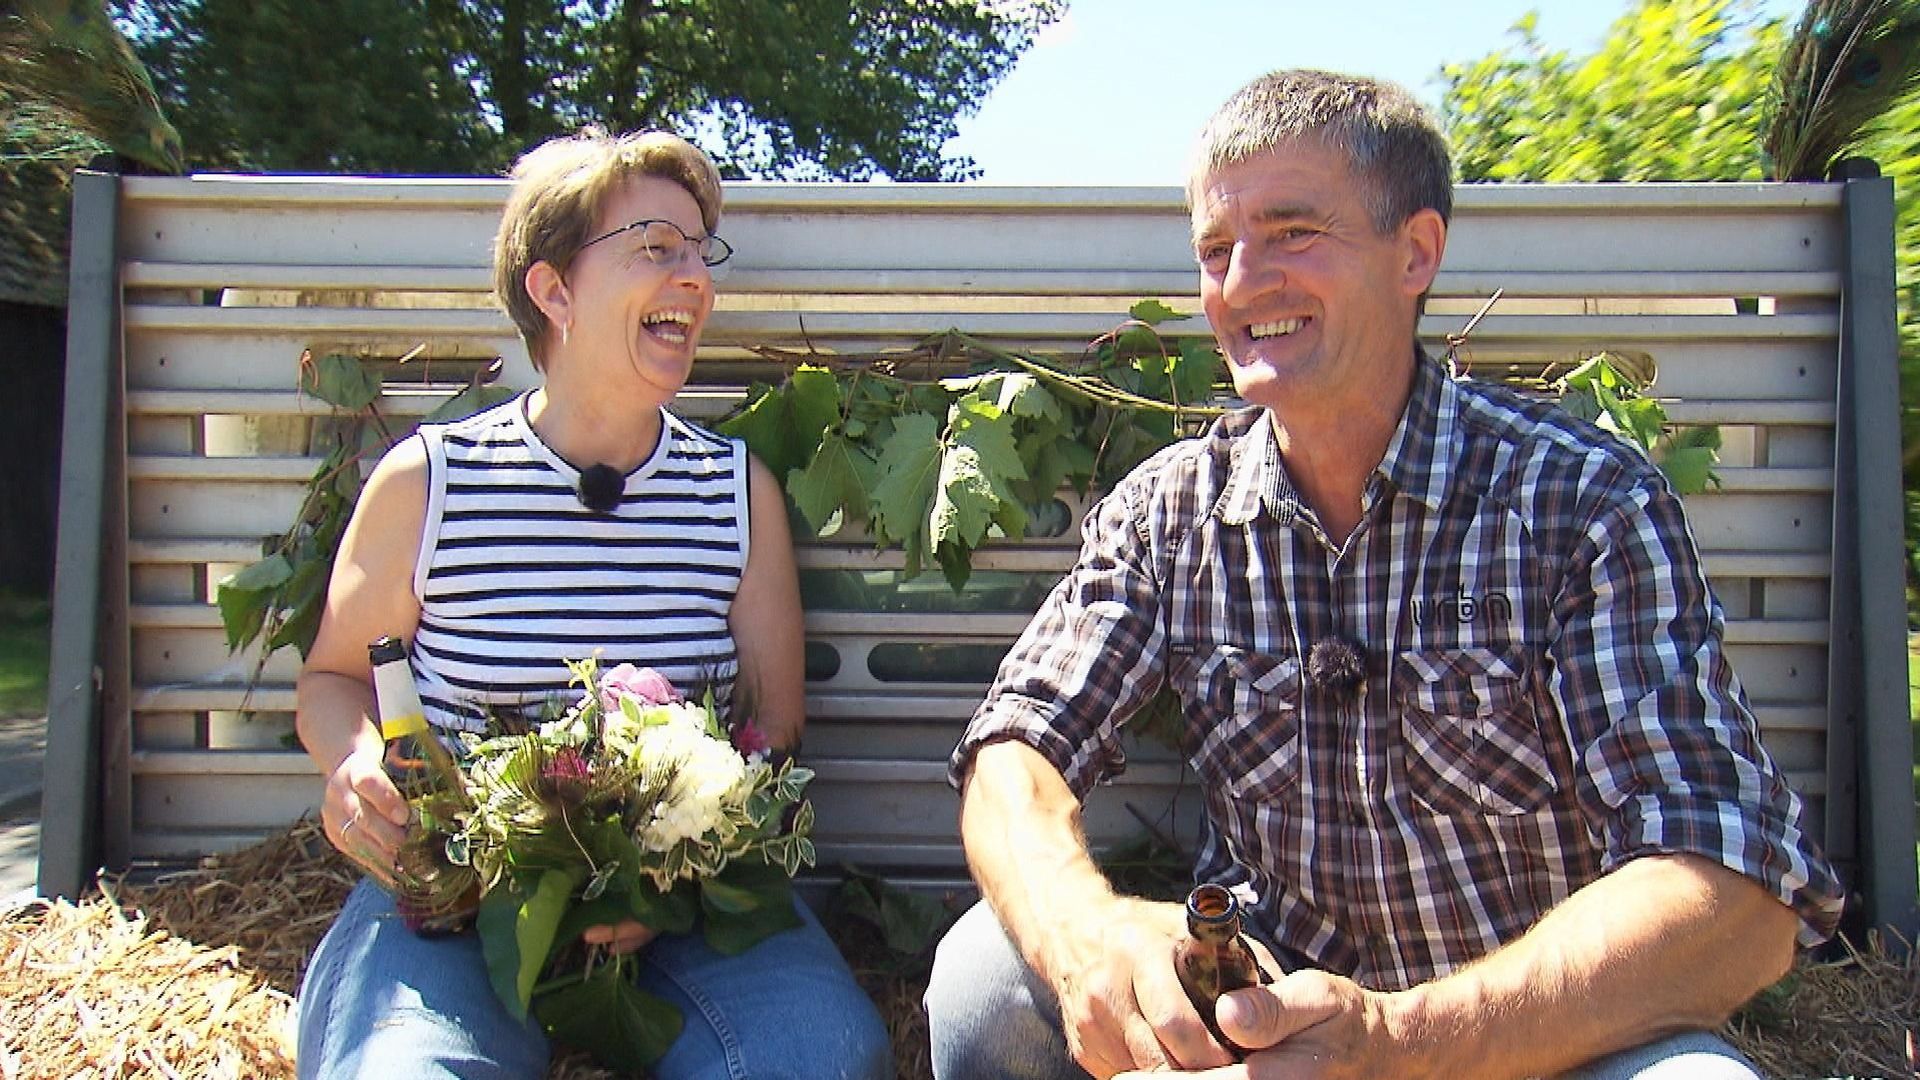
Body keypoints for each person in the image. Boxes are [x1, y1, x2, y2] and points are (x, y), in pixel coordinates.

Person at [923, 70, 1844, 1080]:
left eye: (1292, 234)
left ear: (1417, 251)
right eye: (1216, 251)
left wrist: (1401, 1044)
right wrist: (1086, 935)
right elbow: (1015, 747)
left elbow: (1739, 900)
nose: (1240, 285)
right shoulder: (1170, 513)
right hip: (1261, 1025)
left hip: (1534, 1038)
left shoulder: (1579, 503)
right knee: (984, 987)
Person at [292, 128, 892, 1079]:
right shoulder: (427, 482)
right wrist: (359, 765)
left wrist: (660, 877)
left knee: (822, 1057)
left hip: (688, 905)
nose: (695, 276)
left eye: (702, 250)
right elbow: (330, 681)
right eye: (658, 246)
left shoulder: (738, 493)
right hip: (453, 891)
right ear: (554, 289)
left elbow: (774, 728)